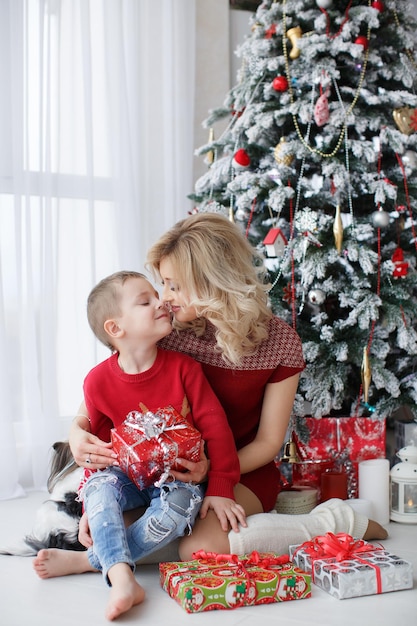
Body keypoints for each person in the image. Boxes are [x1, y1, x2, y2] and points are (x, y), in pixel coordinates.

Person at [35, 213, 387, 581]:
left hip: (240, 469)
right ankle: (112, 559)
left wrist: (213, 472)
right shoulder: (167, 330)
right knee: (117, 523)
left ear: (211, 280)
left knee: (197, 548)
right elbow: (106, 388)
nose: (164, 298)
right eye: (161, 286)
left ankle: (336, 521)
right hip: (169, 473)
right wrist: (77, 431)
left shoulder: (281, 343)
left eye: (173, 285)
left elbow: (268, 442)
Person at [34, 270, 244, 621]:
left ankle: (92, 560)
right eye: (145, 301)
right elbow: (96, 452)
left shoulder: (184, 369)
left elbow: (216, 429)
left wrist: (221, 486)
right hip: (125, 475)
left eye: (156, 296)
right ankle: (123, 581)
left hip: (179, 479)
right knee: (101, 490)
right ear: (116, 328)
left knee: (176, 511)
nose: (161, 301)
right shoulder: (98, 381)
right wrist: (90, 503)